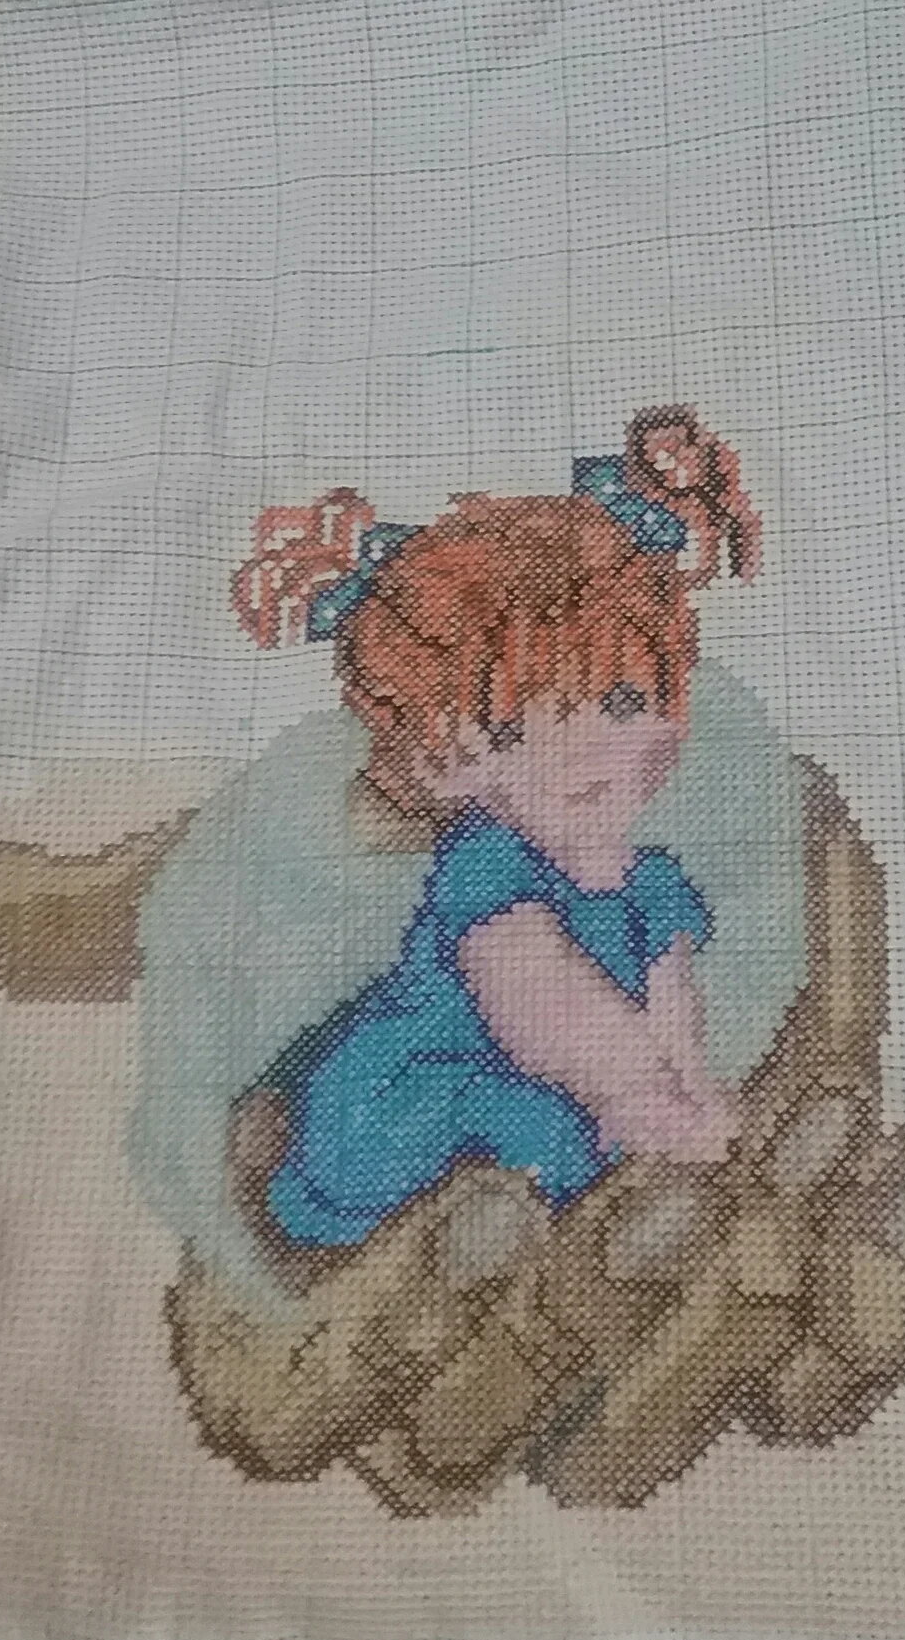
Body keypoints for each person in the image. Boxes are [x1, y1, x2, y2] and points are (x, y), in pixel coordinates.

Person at [229, 408, 760, 1254]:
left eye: (622, 702)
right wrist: (636, 1097)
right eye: (515, 730)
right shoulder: (486, 865)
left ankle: (644, 1215)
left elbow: (670, 1007)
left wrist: (693, 1095)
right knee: (534, 1124)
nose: (584, 750)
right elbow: (541, 1011)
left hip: (575, 1095)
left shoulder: (651, 882)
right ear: (444, 763)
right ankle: (520, 1250)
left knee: (585, 1126)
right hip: (416, 1101)